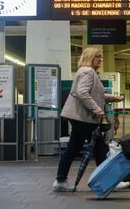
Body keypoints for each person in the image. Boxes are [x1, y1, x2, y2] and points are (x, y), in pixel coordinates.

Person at [53, 47, 124, 192]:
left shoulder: (87, 72)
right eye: (98, 56)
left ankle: (60, 180)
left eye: (101, 57)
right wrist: (97, 110)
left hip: (79, 117)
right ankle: (109, 181)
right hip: (83, 117)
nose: (101, 60)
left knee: (73, 148)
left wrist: (111, 98)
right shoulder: (87, 71)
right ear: (90, 57)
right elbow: (82, 92)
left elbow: (94, 94)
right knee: (100, 148)